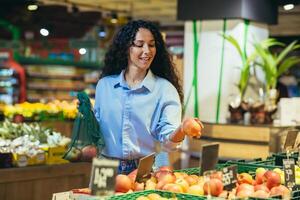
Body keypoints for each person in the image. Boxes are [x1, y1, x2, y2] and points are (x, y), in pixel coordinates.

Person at [94, 20, 203, 174]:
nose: (147, 50)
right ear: (126, 48)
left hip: (144, 168)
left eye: (151, 45)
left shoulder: (165, 89)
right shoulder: (104, 86)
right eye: (139, 44)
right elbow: (97, 128)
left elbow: (169, 143)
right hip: (104, 165)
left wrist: (182, 129)